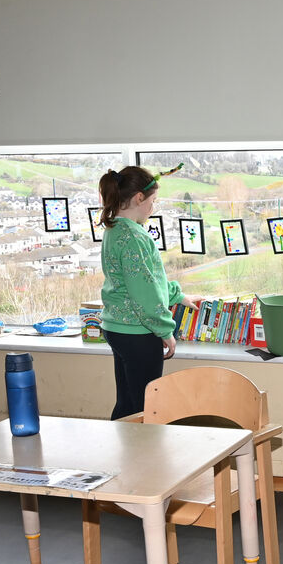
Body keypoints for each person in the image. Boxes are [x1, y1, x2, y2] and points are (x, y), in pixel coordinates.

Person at [98, 165, 202, 420]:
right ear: (139, 198)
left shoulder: (114, 230)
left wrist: (178, 296)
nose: (153, 208)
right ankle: (141, 448)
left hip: (117, 329)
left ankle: (118, 445)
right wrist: (165, 331)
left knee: (127, 405)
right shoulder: (134, 237)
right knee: (146, 409)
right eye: (153, 201)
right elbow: (145, 292)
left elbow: (147, 280)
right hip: (138, 333)